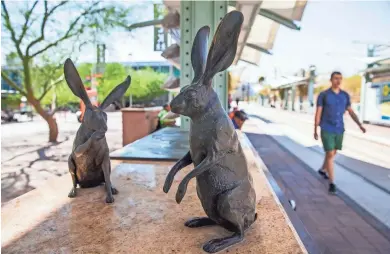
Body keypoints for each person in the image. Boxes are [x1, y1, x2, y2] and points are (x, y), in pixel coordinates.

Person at [314, 71, 366, 194]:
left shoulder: (344, 95)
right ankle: (332, 183)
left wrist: (360, 125)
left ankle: (322, 169)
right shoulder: (324, 95)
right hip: (326, 128)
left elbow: (351, 112)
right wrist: (315, 129)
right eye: (336, 78)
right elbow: (318, 112)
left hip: (339, 129)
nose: (338, 81)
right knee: (330, 154)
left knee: (332, 153)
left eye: (340, 79)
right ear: (331, 80)